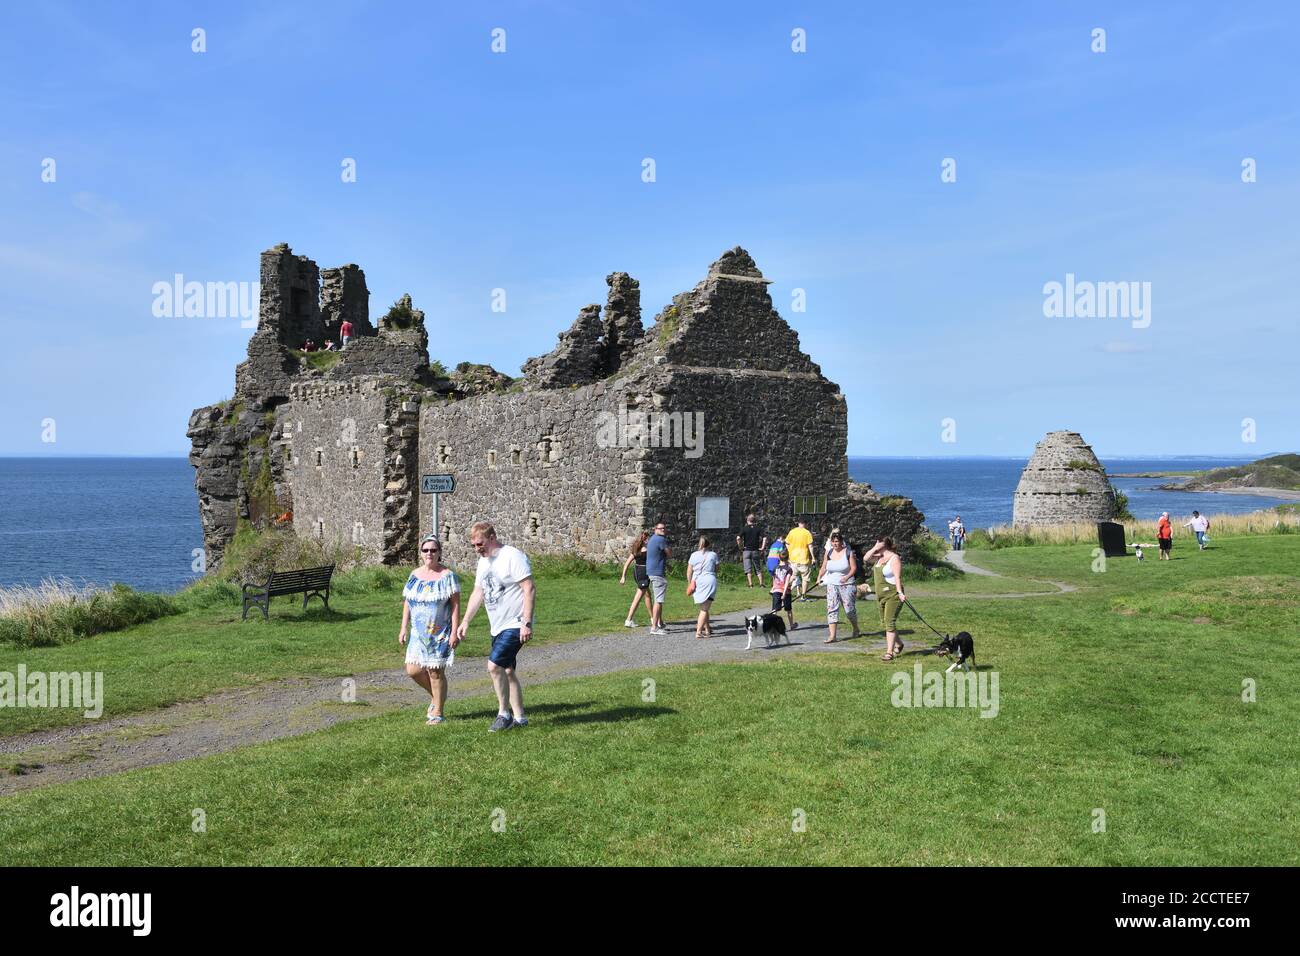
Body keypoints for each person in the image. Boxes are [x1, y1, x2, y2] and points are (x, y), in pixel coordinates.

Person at [456, 521, 536, 732]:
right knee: (508, 670)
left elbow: (529, 588)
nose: (477, 549)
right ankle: (520, 719)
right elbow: (478, 593)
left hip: (515, 623)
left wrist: (526, 623)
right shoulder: (483, 562)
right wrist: (465, 621)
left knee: (494, 666)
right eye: (473, 545)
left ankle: (504, 714)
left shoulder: (512, 556)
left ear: (492, 537)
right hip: (497, 626)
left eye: (480, 543)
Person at [399, 534, 461, 724]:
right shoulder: (414, 575)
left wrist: (455, 631)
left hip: (439, 633)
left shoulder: (448, 576)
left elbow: (456, 605)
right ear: (421, 553)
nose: (429, 553)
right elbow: (408, 602)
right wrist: (403, 628)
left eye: (433, 550)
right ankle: (436, 697)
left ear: (440, 553)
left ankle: (438, 713)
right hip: (418, 634)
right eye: (425, 550)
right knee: (413, 670)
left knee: (435, 672)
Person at [862, 537, 907, 661]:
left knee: (889, 622)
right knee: (885, 623)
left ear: (885, 544)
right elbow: (865, 558)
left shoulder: (894, 558)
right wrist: (874, 548)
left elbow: (897, 577)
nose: (876, 543)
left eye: (879, 542)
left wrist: (900, 593)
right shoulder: (878, 556)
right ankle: (899, 644)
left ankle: (889, 652)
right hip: (880, 596)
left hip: (893, 595)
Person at [819, 531, 860, 643]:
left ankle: (856, 628)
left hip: (846, 584)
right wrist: (819, 577)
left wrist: (846, 577)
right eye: (833, 541)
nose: (835, 544)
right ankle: (832, 636)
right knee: (832, 608)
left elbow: (853, 568)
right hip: (832, 584)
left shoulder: (848, 552)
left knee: (849, 610)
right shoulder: (829, 552)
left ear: (842, 542)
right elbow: (823, 567)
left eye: (837, 541)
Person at [686, 535, 719, 639]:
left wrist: (690, 582)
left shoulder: (693, 555)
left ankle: (707, 629)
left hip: (697, 581)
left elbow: (689, 571)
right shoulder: (713, 555)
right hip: (709, 580)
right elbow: (717, 569)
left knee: (703, 607)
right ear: (709, 544)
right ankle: (699, 632)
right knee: (704, 609)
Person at [619, 531, 653, 627]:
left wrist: (623, 576)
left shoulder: (638, 549)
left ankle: (653, 618)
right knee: (638, 598)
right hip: (642, 574)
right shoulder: (644, 550)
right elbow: (627, 564)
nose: (649, 540)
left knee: (647, 595)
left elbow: (626, 564)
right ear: (644, 539)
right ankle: (629, 620)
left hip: (639, 573)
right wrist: (623, 577)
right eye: (647, 538)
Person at [645, 520, 670, 635]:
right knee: (658, 601)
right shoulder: (661, 540)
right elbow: (669, 553)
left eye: (664, 528)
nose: (663, 530)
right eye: (661, 528)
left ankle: (660, 623)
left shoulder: (652, 540)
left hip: (651, 571)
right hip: (658, 573)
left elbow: (657, 556)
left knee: (657, 599)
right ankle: (654, 627)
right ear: (655, 529)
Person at [785, 518, 815, 601]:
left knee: (792, 576)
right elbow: (810, 546)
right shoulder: (807, 533)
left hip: (793, 558)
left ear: (798, 523)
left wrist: (789, 552)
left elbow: (787, 544)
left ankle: (784, 591)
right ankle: (803, 596)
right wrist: (813, 557)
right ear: (805, 524)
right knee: (805, 578)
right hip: (804, 559)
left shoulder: (792, 532)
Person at [735, 513, 767, 588]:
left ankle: (750, 584)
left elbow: (738, 538)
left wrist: (740, 547)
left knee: (748, 568)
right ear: (754, 520)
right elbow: (765, 538)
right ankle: (761, 584)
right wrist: (762, 547)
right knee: (758, 568)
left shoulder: (745, 528)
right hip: (755, 550)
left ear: (747, 520)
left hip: (746, 550)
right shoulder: (758, 528)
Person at [769, 548, 797, 629]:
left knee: (774, 610)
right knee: (788, 609)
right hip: (786, 591)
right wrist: (784, 593)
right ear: (788, 558)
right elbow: (787, 581)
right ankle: (791, 625)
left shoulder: (775, 568)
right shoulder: (788, 569)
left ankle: (773, 625)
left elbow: (774, 579)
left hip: (776, 590)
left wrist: (773, 588)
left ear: (779, 557)